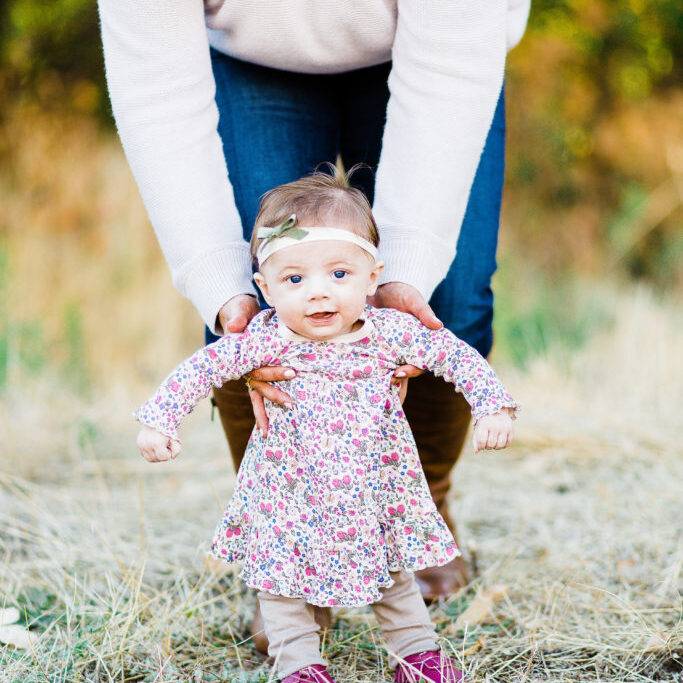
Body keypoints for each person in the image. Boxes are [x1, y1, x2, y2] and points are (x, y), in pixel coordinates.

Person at [99, 0, 530, 647]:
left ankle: (416, 504)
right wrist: (221, 287)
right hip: (248, 61)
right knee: (249, 327)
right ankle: (286, 552)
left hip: (443, 55)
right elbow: (155, 90)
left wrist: (400, 275)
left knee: (456, 299)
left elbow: (450, 63)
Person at [135, 171, 519, 683]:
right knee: (282, 582)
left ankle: (418, 654)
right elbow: (202, 368)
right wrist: (160, 419)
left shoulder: (389, 332)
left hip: (373, 487)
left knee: (392, 573)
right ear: (265, 287)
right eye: (295, 280)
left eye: (339, 274)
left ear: (372, 276)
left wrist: (491, 405)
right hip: (287, 493)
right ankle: (298, 665)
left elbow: (456, 356)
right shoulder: (264, 340)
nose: (318, 294)